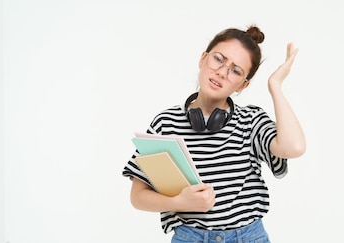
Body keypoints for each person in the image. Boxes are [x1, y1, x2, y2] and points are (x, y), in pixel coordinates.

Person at [122, 24, 306, 243]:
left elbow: (294, 147)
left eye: (236, 71)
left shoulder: (251, 121)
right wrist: (180, 202)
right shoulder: (166, 124)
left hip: (248, 237)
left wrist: (275, 85)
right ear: (202, 58)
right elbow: (138, 197)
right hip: (189, 238)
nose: (222, 72)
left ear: (243, 85)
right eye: (219, 59)